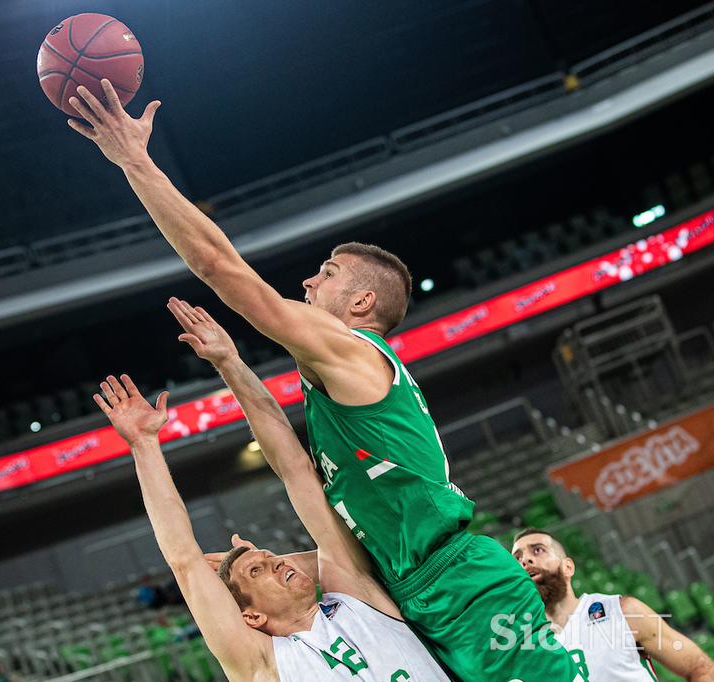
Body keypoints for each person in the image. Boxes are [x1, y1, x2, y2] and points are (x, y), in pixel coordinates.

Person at [67, 82, 586, 680]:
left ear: (362, 301)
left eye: (327, 273)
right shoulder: (333, 388)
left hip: (458, 582)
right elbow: (295, 472)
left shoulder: (353, 349)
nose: (308, 284)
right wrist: (232, 366)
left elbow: (219, 267)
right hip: (418, 588)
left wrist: (135, 162)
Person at [94, 372, 448, 681]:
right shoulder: (262, 665)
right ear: (251, 615)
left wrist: (229, 363)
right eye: (258, 570)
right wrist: (143, 444)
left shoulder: (356, 596)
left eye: (271, 557)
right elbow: (183, 559)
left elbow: (296, 470)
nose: (279, 561)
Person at [512, 529, 714, 681]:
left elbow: (700, 668)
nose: (526, 560)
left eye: (538, 550)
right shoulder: (525, 645)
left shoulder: (622, 611)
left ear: (568, 566)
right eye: (517, 558)